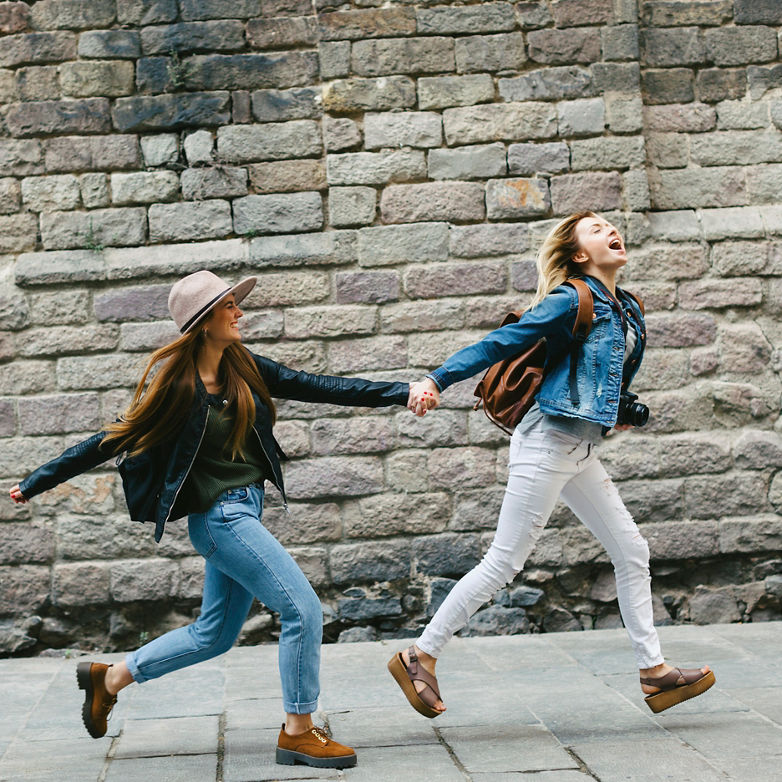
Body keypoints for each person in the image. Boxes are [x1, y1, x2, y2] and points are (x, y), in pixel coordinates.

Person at [9, 269, 417, 770]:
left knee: (215, 634)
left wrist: (402, 392)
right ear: (204, 322)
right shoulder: (176, 387)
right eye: (229, 306)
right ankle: (299, 731)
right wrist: (36, 481)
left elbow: (320, 386)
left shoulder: (242, 366)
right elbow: (112, 438)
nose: (239, 313)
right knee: (303, 611)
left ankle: (109, 678)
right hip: (220, 519)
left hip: (244, 510)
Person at [391, 212, 715, 719]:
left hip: (581, 447)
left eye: (612, 224)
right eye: (596, 229)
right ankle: (420, 654)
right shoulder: (571, 298)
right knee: (504, 562)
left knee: (632, 550)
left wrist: (617, 411)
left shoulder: (626, 307)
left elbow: (600, 376)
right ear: (579, 253)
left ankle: (654, 673)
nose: (612, 230)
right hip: (547, 441)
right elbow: (503, 342)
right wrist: (437, 379)